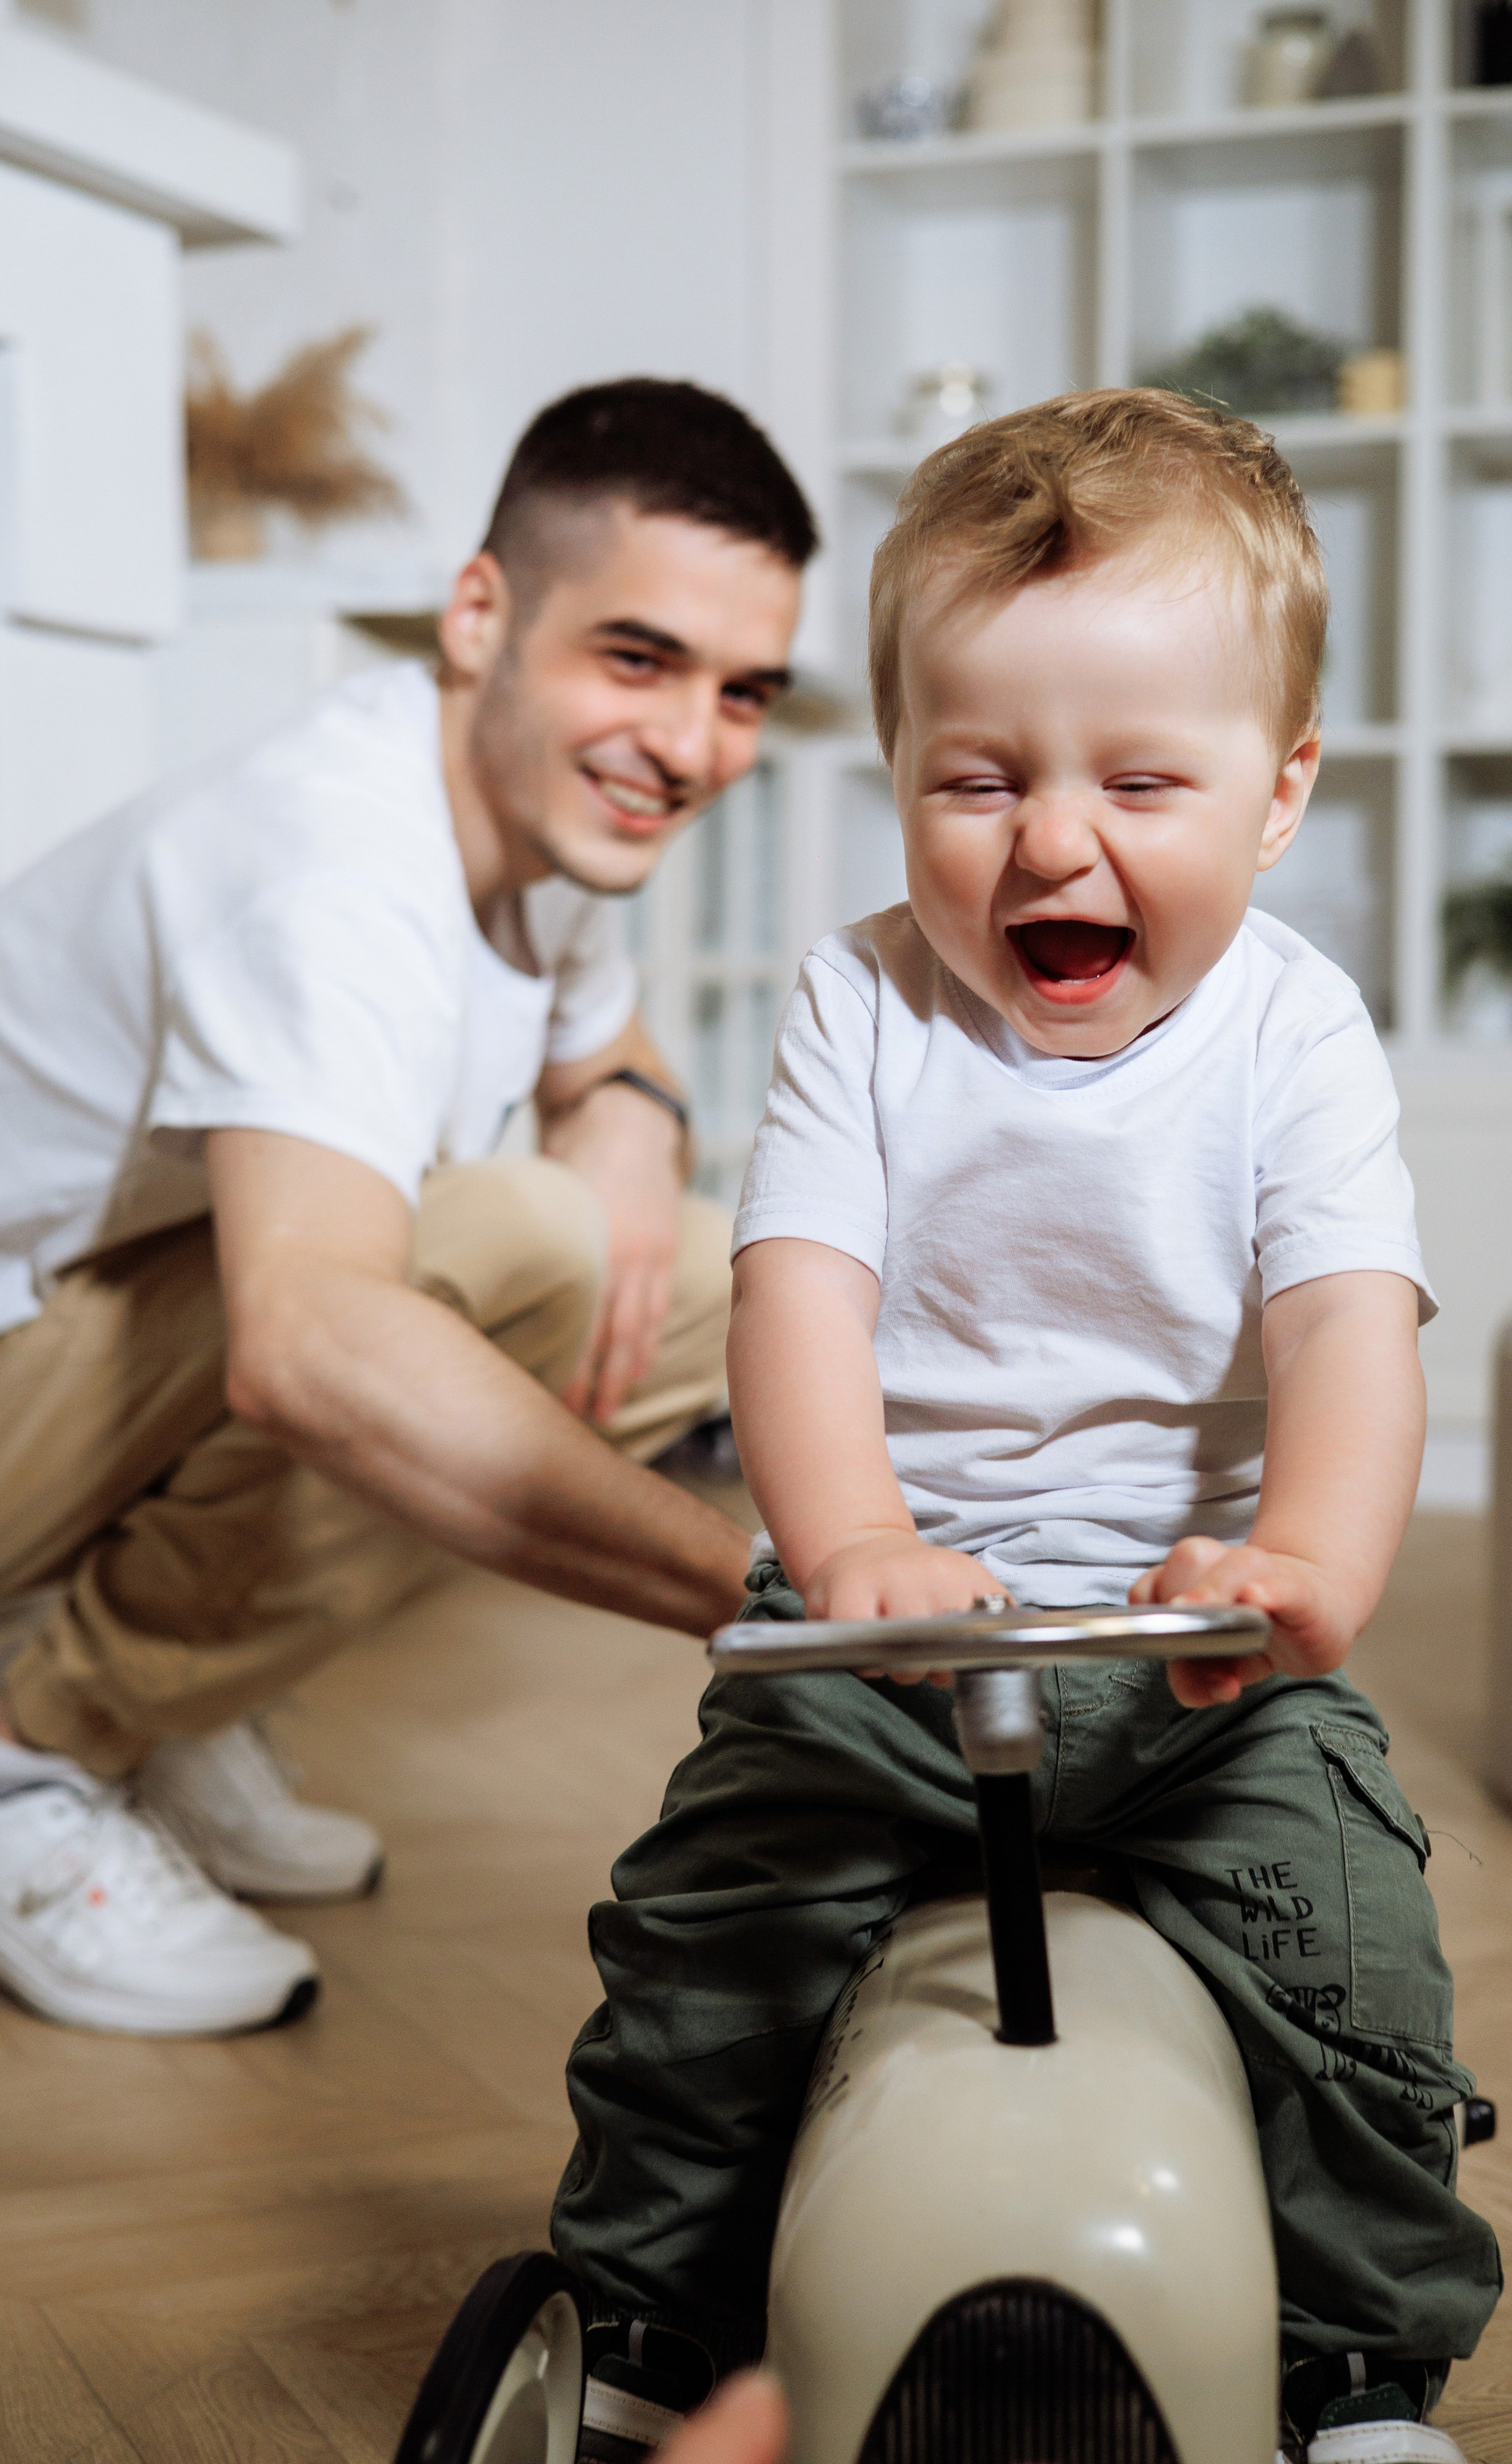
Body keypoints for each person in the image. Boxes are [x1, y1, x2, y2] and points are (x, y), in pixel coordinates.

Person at [548, 392, 1502, 2464]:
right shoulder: (862, 1001)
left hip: (1198, 1654)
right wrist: (860, 1540)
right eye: (977, 779)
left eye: (1142, 781)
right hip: (894, 1642)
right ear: (899, 775)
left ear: (1277, 795)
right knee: (708, 1940)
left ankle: (1355, 2370)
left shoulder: (1294, 1030)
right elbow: (799, 1290)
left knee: (1354, 1965)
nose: (1053, 843)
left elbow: (1348, 1327)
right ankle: (658, 2330)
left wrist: (1305, 1577)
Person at [0, 377, 816, 2037]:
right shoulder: (331, 867)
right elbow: (308, 1350)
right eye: (640, 659)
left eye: (745, 693)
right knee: (507, 1252)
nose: (689, 747)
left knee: (720, 1304)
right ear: (480, 614)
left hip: (24, 1376)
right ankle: (8, 1782)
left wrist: (641, 1120)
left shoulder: (543, 813)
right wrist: (784, 1605)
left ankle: (176, 1696)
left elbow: (614, 1054)